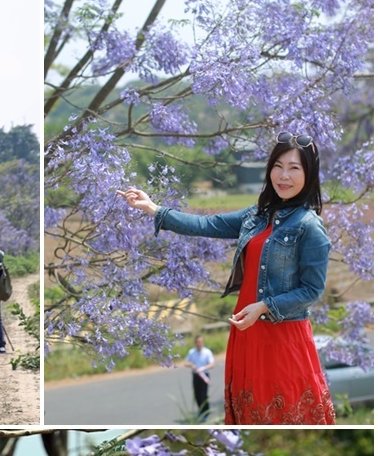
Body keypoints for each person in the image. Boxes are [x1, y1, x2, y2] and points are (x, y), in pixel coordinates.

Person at [118, 131, 335, 424]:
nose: (284, 176)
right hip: (247, 329)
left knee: (288, 414)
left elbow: (312, 290)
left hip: (281, 333)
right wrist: (154, 208)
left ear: (308, 175)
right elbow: (206, 224)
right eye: (278, 166)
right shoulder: (257, 215)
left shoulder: (310, 227)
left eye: (294, 168)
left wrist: (264, 306)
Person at [183, 335, 215, 421]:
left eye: (200, 342)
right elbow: (185, 362)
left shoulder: (207, 352)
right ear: (195, 343)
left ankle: (206, 412)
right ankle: (201, 411)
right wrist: (191, 365)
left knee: (203, 395)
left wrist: (203, 368)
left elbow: (212, 364)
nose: (199, 344)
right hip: (196, 376)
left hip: (204, 375)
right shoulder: (191, 352)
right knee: (197, 395)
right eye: (197, 342)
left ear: (203, 342)